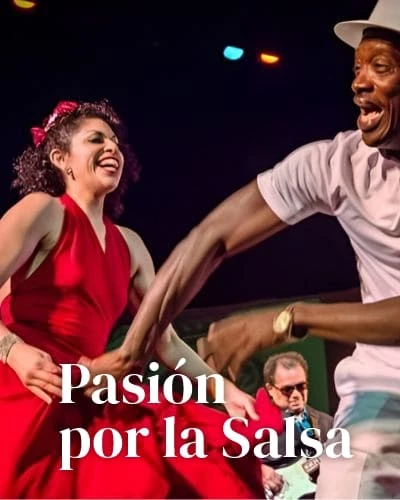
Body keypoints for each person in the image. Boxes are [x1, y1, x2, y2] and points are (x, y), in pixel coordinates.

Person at [107, 0, 400, 497]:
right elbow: (212, 236)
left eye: (381, 67)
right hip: (384, 393)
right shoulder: (338, 164)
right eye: (357, 69)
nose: (359, 83)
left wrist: (288, 319)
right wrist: (132, 350)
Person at [0, 99, 285, 499]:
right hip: (26, 385)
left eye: (115, 142)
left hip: (87, 387)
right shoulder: (43, 211)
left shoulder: (130, 245)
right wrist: (13, 351)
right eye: (96, 139)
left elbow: (165, 341)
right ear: (60, 158)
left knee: (187, 450)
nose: (111, 147)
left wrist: (224, 391)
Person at [259, 352, 333, 498]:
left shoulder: (327, 423)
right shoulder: (255, 421)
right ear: (270, 389)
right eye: (287, 389)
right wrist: (259, 471)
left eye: (301, 387)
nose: (296, 395)